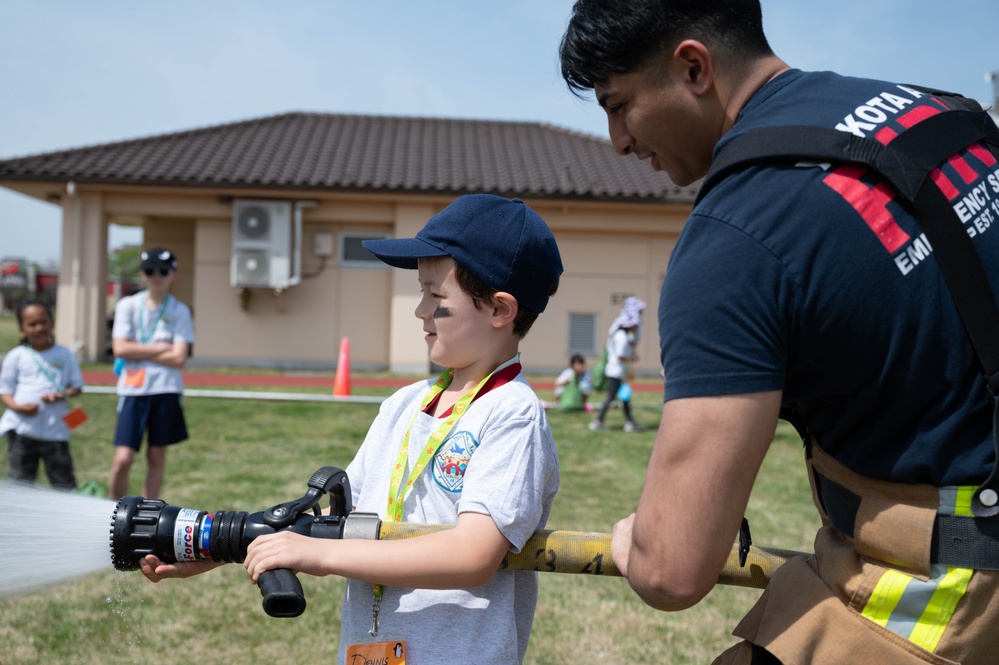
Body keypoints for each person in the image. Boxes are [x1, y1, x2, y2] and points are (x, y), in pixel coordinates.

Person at [560, 2, 999, 664]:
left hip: (950, 582)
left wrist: (631, 538)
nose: (617, 138)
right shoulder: (942, 112)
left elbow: (671, 569)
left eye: (618, 104)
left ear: (691, 67)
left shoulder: (735, 239)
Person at [139, 194, 563, 665]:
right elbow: (334, 526)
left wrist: (319, 557)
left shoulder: (511, 412)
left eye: (436, 296)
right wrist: (215, 546)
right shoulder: (406, 404)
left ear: (501, 309)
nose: (420, 310)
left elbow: (473, 553)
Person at [109, 247, 194, 500]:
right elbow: (119, 348)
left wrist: (137, 350)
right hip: (133, 390)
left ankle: (149, 513)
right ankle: (112, 512)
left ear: (173, 275)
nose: (156, 276)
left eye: (163, 271)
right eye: (150, 270)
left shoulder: (180, 310)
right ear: (142, 274)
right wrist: (159, 348)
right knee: (123, 458)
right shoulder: (128, 305)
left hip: (166, 389)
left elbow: (179, 358)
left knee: (157, 456)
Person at [0, 300, 84, 490]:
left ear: (52, 323)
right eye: (31, 324)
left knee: (64, 483)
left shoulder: (65, 354)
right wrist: (18, 407)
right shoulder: (16, 356)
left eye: (43, 322)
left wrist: (62, 394)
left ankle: (64, 516)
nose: (38, 328)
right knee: (21, 483)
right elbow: (5, 390)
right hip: (22, 430)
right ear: (22, 329)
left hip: (55, 431)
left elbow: (76, 387)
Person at [589, 296, 645, 432]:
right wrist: (631, 357)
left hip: (618, 370)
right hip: (616, 370)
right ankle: (598, 421)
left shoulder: (621, 335)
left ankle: (630, 422)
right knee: (612, 395)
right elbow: (620, 355)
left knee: (624, 396)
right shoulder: (621, 337)